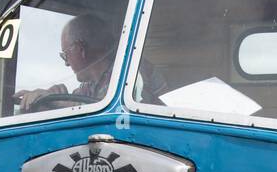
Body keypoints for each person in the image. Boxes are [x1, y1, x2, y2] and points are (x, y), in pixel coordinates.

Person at [14, 13, 167, 112]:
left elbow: (116, 113)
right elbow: (75, 105)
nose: (67, 64)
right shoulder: (89, 86)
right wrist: (48, 98)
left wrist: (59, 102)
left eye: (66, 55)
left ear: (81, 49)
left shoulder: (131, 71)